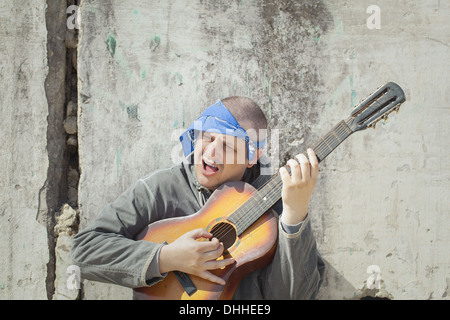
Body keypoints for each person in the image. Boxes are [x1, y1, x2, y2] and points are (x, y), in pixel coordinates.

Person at [71, 96, 325, 299]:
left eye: (227, 145)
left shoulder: (278, 204)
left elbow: (297, 295)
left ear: (252, 156)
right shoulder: (159, 188)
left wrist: (294, 216)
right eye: (208, 138)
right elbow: (84, 250)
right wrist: (166, 258)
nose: (211, 153)